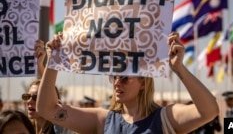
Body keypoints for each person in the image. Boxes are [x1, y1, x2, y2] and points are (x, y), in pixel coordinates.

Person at [36, 32, 219, 134]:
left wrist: (180, 69)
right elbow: (47, 110)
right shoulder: (104, 120)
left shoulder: (165, 118)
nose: (117, 82)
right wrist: (54, 62)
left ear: (143, 83)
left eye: (124, 77)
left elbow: (209, 111)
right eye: (113, 77)